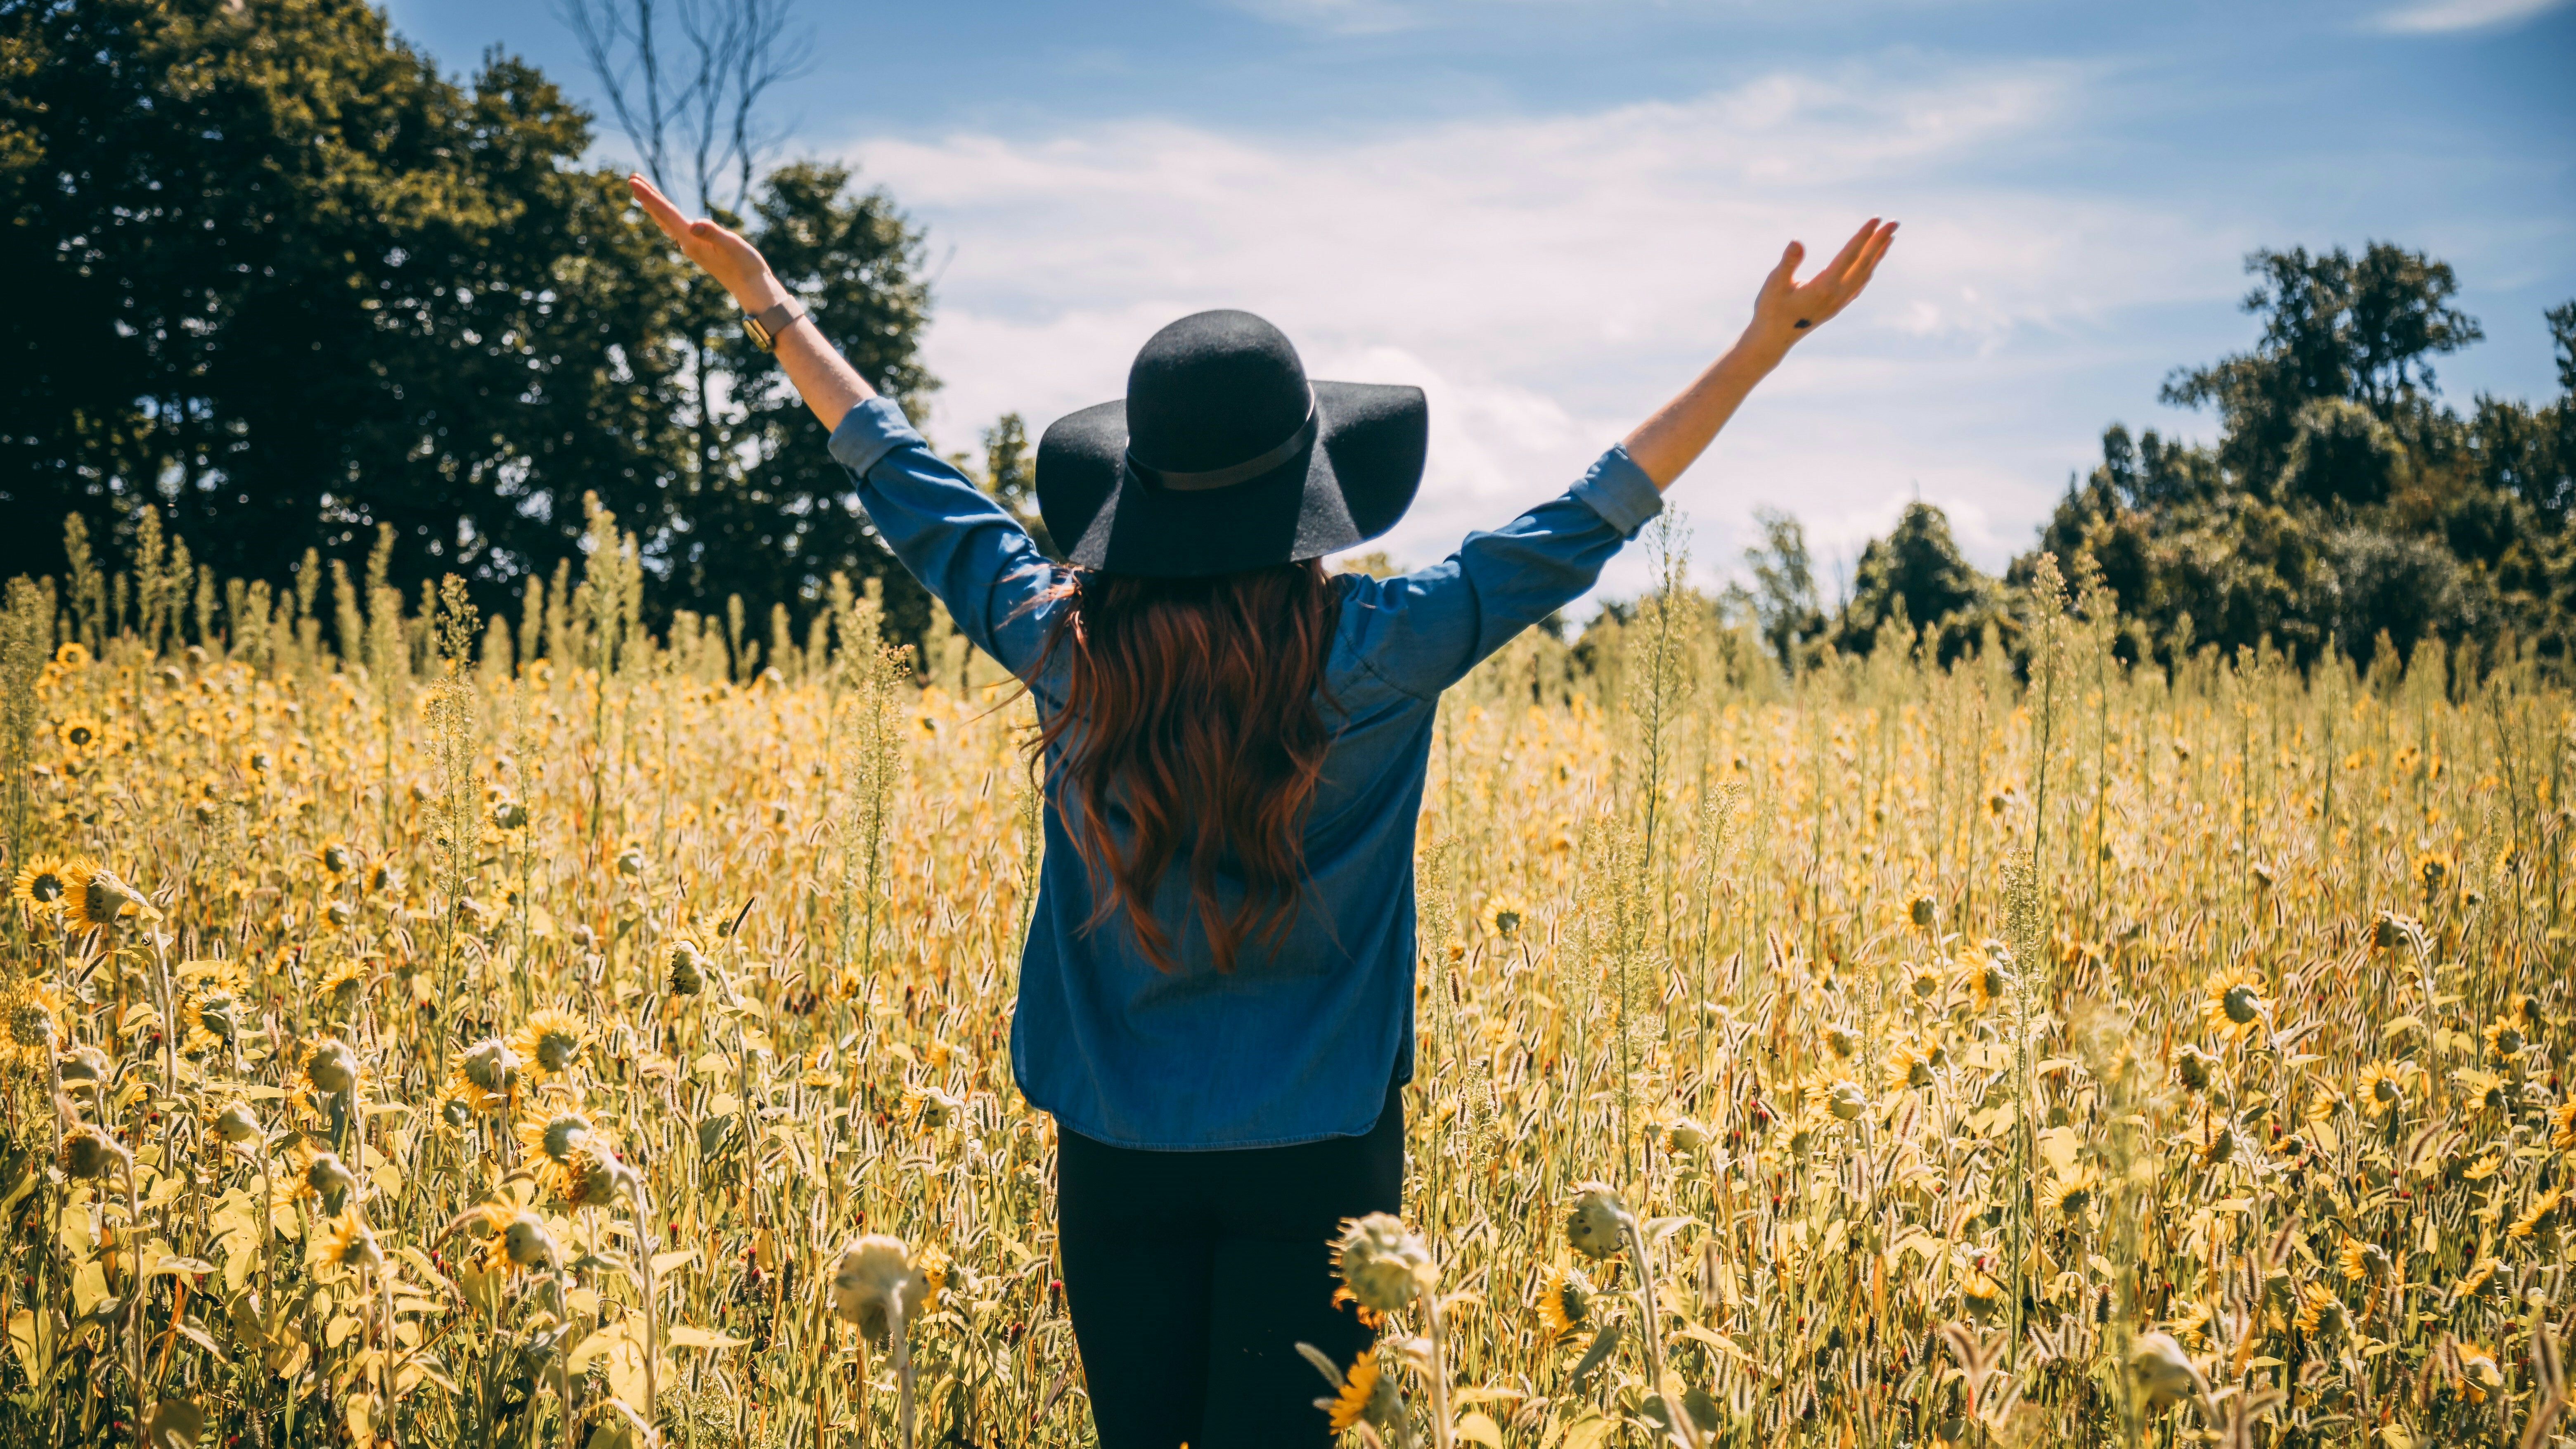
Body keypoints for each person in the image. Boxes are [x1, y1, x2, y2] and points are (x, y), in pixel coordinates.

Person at [632, 172, 1893, 1448]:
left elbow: (913, 489)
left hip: (1115, 1153)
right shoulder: (1387, 647)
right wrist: (1762, 344)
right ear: (1314, 495)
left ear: (1137, 490)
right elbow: (1597, 511)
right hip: (1323, 1158)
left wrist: (773, 307)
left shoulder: (1066, 648)